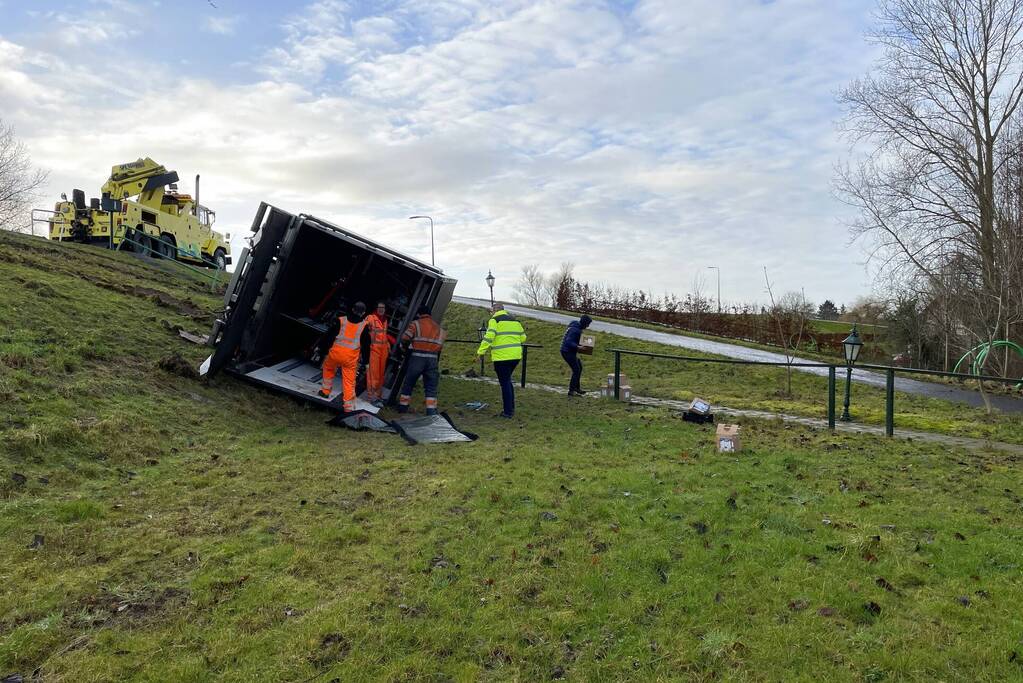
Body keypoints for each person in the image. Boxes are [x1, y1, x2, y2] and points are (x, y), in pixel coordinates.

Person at [476, 302, 527, 418]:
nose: (491, 314)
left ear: (494, 310)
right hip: (515, 357)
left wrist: (480, 352)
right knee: (507, 381)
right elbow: (523, 337)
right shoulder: (515, 321)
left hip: (501, 357)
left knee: (505, 384)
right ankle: (511, 408)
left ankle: (508, 412)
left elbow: (489, 337)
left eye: (491, 311)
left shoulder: (494, 320)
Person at [319, 301, 368, 413]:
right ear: (364, 313)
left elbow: (329, 336)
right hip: (350, 359)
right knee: (349, 381)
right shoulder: (364, 326)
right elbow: (366, 346)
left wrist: (322, 349)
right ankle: (348, 407)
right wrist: (366, 362)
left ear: (352, 309)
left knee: (329, 368)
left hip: (335, 354)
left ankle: (325, 391)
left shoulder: (341, 320)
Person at [398, 305, 446, 415]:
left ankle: (403, 407)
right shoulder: (438, 328)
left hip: (417, 358)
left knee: (409, 383)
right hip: (432, 360)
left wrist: (404, 348)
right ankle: (431, 410)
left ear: (419, 314)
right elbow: (440, 345)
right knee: (431, 386)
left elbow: (405, 338)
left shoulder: (415, 324)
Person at [364, 301, 394, 407]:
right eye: (379, 307)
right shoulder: (370, 318)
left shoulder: (384, 320)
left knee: (380, 375)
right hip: (373, 350)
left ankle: (377, 395)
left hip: (383, 351)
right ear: (376, 308)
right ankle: (371, 397)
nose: (381, 309)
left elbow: (384, 335)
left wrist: (388, 346)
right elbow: (363, 332)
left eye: (383, 308)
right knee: (373, 374)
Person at [561, 314, 592, 396]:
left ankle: (576, 388)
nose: (588, 326)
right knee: (576, 370)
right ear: (585, 323)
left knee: (579, 367)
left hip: (568, 351)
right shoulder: (575, 330)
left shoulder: (575, 326)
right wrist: (578, 347)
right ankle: (571, 390)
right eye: (588, 324)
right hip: (567, 352)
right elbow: (568, 341)